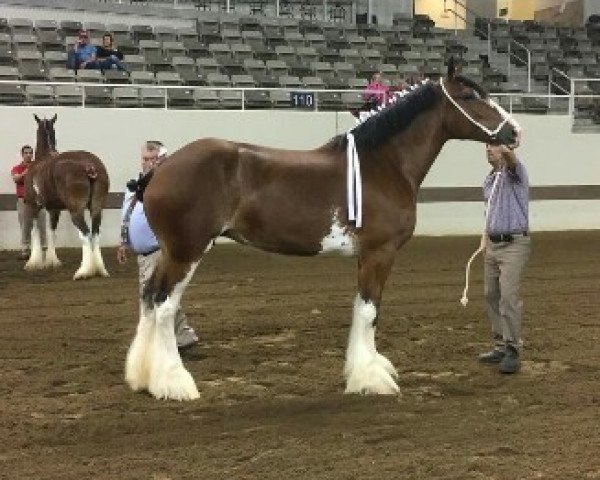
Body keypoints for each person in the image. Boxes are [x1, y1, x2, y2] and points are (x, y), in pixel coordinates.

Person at [117, 141, 199, 350]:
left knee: (150, 294)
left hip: (157, 250)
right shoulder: (134, 184)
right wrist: (123, 240)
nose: (149, 162)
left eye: (154, 158)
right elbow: (128, 214)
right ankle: (183, 334)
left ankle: (152, 340)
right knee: (160, 294)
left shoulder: (167, 186)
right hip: (142, 253)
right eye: (146, 158)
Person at [478, 143, 530, 374]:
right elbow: (490, 212)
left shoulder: (515, 173)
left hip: (514, 244)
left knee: (508, 297)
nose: (489, 149)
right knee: (491, 294)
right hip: (493, 243)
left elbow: (512, 160)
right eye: (487, 146)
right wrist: (484, 237)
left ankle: (513, 349)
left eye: (493, 146)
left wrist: (507, 146)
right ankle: (500, 344)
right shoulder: (489, 181)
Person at [10, 145, 47, 260]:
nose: (29, 155)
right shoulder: (17, 168)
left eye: (30, 153)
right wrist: (26, 172)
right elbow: (16, 178)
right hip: (24, 200)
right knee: (25, 226)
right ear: (22, 155)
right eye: (26, 153)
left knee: (42, 224)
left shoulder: (38, 167)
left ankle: (44, 249)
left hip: (39, 200)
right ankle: (25, 250)